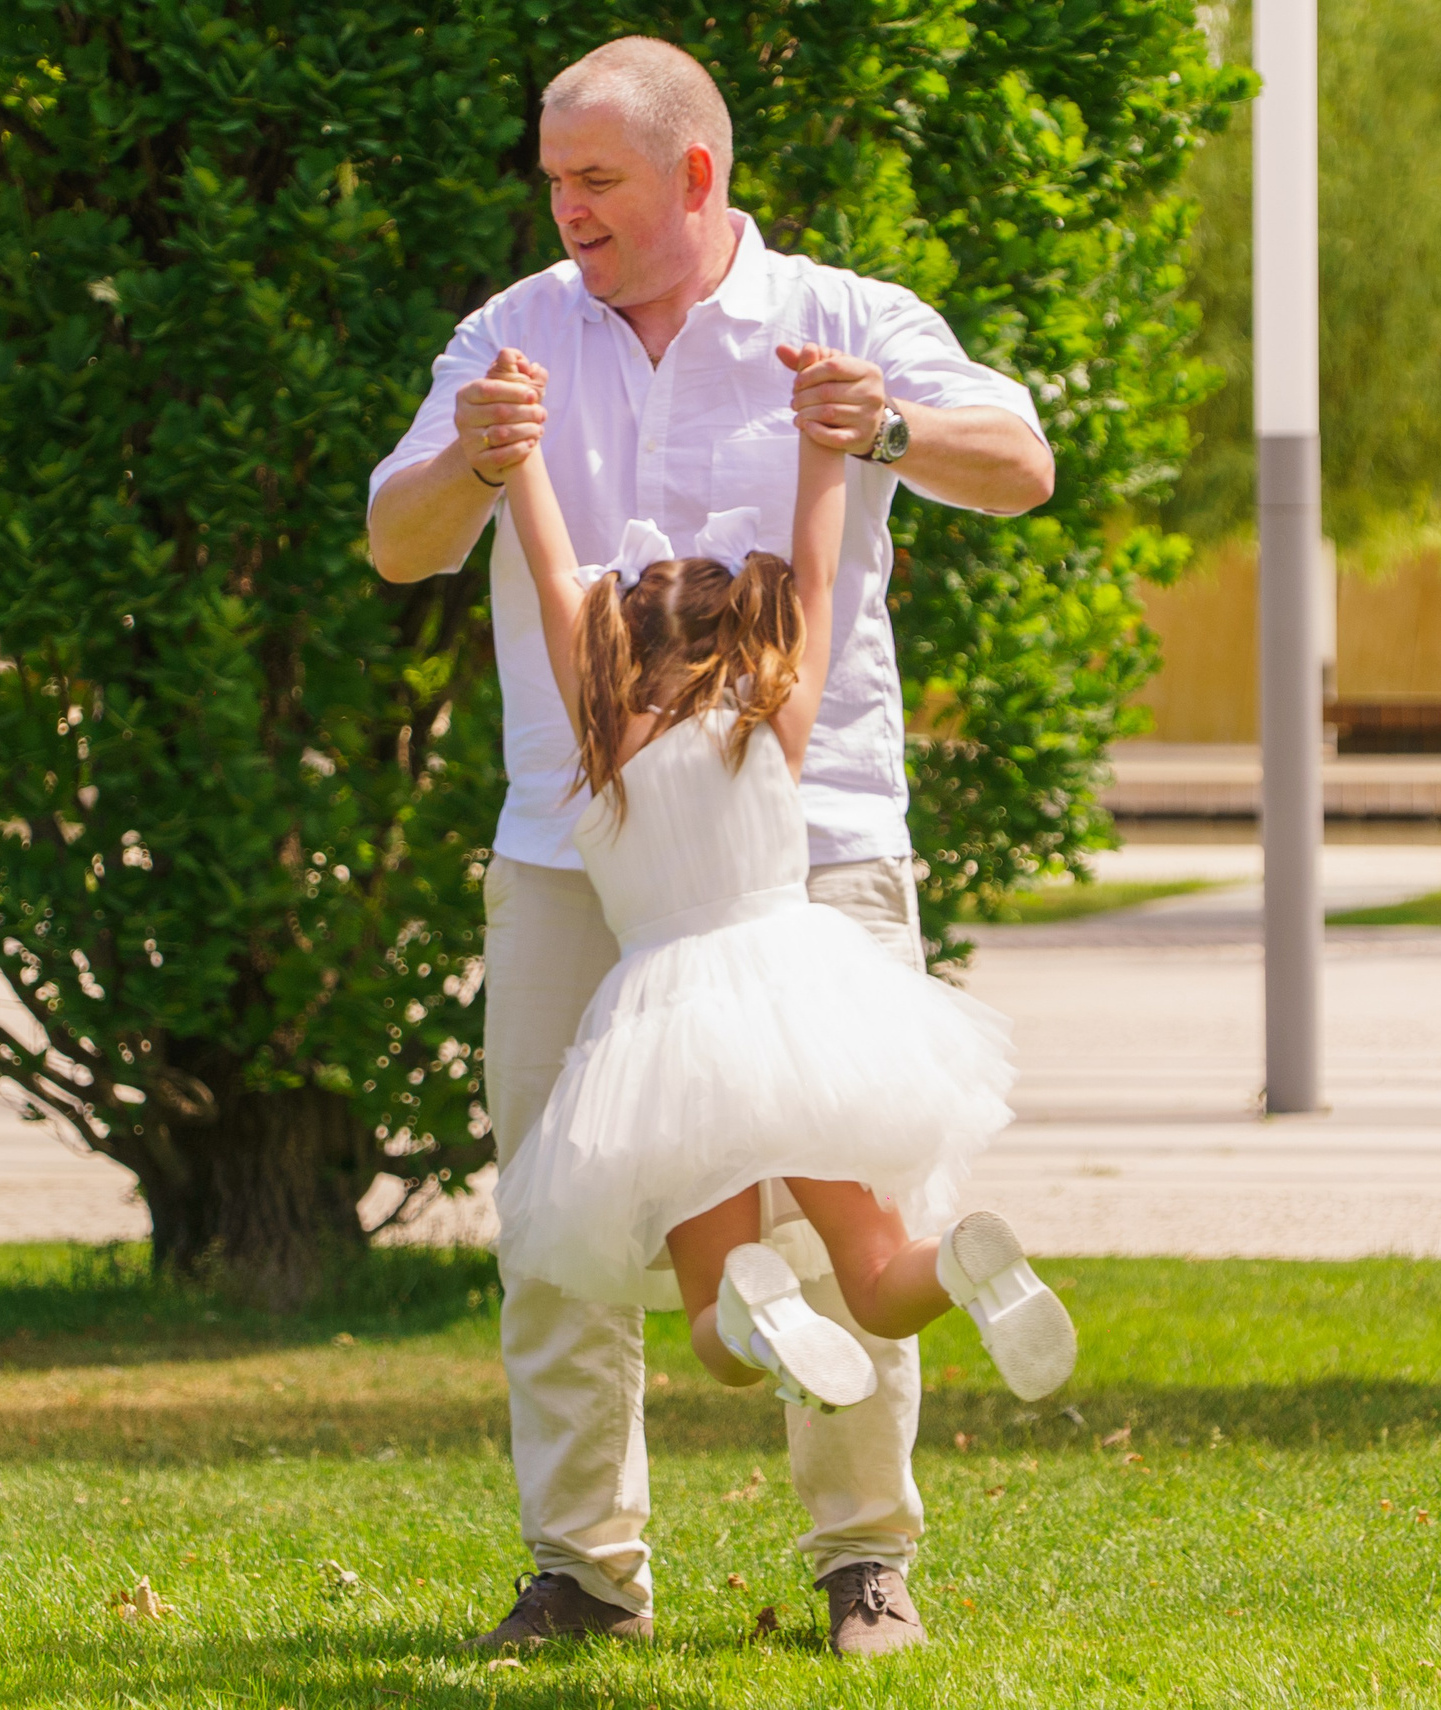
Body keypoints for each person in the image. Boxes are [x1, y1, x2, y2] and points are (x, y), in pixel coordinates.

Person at [365, 34, 1055, 1658]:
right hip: (568, 835)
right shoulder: (512, 336)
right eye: (551, 180)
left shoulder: (847, 318)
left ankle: (862, 1563)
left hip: (814, 828)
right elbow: (398, 541)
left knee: (837, 1204)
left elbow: (1021, 464)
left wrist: (878, 428)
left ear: (696, 174)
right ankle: (583, 1568)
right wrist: (476, 452)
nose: (565, 211)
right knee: (560, 1200)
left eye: (593, 180)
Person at [481, 342, 1077, 1432]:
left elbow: (548, 554)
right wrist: (822, 443)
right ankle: (961, 1267)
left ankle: (755, 1314)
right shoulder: (772, 724)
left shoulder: (604, 743)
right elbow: (822, 564)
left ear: (612, 653)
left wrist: (522, 446)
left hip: (671, 1033)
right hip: (808, 1004)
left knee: (713, 1321)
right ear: (740, 647)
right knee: (877, 1275)